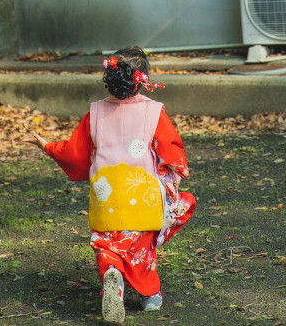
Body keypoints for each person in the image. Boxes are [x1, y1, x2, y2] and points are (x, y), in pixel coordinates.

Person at [25, 46, 196, 324]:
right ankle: (150, 295)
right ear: (143, 79)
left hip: (105, 196)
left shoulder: (95, 112)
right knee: (141, 245)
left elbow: (75, 154)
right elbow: (171, 150)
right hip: (141, 195)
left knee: (108, 245)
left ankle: (112, 275)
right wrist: (173, 175)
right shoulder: (153, 112)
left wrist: (48, 146)